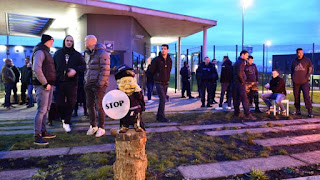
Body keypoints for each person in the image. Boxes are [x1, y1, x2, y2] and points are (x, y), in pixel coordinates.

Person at [54, 35, 86, 132]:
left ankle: (67, 121)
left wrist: (75, 70)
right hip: (59, 81)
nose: (69, 43)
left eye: (71, 41)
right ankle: (63, 118)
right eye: (67, 41)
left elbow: (84, 66)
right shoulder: (58, 53)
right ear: (64, 41)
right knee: (59, 102)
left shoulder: (77, 55)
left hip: (72, 82)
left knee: (71, 102)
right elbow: (52, 67)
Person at [32, 34, 56, 145]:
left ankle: (43, 131)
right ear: (46, 41)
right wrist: (45, 83)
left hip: (48, 85)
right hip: (43, 85)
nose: (52, 42)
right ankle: (37, 135)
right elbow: (37, 68)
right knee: (41, 110)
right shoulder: (40, 52)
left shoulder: (45, 52)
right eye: (51, 40)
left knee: (46, 109)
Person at [84, 35, 110, 137]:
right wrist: (86, 81)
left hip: (99, 85)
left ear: (92, 41)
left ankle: (101, 127)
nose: (84, 41)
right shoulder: (88, 53)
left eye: (86, 40)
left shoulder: (102, 53)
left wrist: (99, 84)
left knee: (99, 106)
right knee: (90, 105)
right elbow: (87, 69)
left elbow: (105, 70)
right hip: (89, 83)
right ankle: (93, 125)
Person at [150, 44, 172, 122]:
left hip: (166, 82)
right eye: (162, 49)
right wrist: (156, 76)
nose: (163, 50)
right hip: (158, 82)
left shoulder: (169, 60)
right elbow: (151, 70)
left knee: (162, 99)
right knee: (163, 99)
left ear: (167, 50)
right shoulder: (156, 59)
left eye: (165, 49)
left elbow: (169, 70)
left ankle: (159, 115)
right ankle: (161, 117)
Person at [232, 50, 256, 120]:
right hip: (240, 83)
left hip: (235, 83)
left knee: (237, 98)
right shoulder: (241, 62)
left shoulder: (237, 62)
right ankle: (247, 114)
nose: (247, 57)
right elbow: (240, 73)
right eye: (246, 55)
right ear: (243, 55)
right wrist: (242, 81)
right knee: (244, 98)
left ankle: (236, 113)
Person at [291, 48, 314, 118]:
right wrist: (293, 78)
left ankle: (309, 111)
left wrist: (306, 78)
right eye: (299, 52)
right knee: (296, 97)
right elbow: (292, 71)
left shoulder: (307, 61)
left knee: (306, 96)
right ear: (297, 53)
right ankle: (298, 110)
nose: (300, 54)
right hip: (296, 83)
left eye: (301, 52)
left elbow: (310, 69)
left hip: (305, 82)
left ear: (303, 53)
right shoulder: (294, 61)